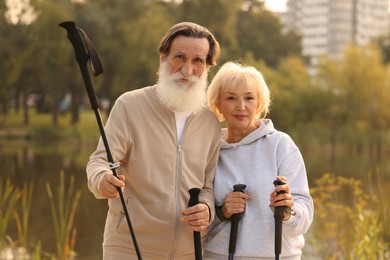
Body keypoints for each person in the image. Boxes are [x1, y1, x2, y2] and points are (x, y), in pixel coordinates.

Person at [86, 22, 221, 259]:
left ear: (207, 66)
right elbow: (100, 160)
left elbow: (208, 186)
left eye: (198, 61)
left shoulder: (210, 122)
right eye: (179, 57)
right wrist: (103, 179)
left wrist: (207, 210)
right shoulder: (129, 105)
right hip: (128, 247)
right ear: (163, 58)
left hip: (189, 251)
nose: (188, 70)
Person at [203, 62, 314, 259]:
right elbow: (196, 215)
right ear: (218, 104)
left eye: (249, 98)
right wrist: (223, 211)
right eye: (231, 98)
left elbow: (304, 216)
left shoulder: (281, 145)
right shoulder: (208, 149)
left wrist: (288, 211)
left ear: (259, 103)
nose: (241, 106)